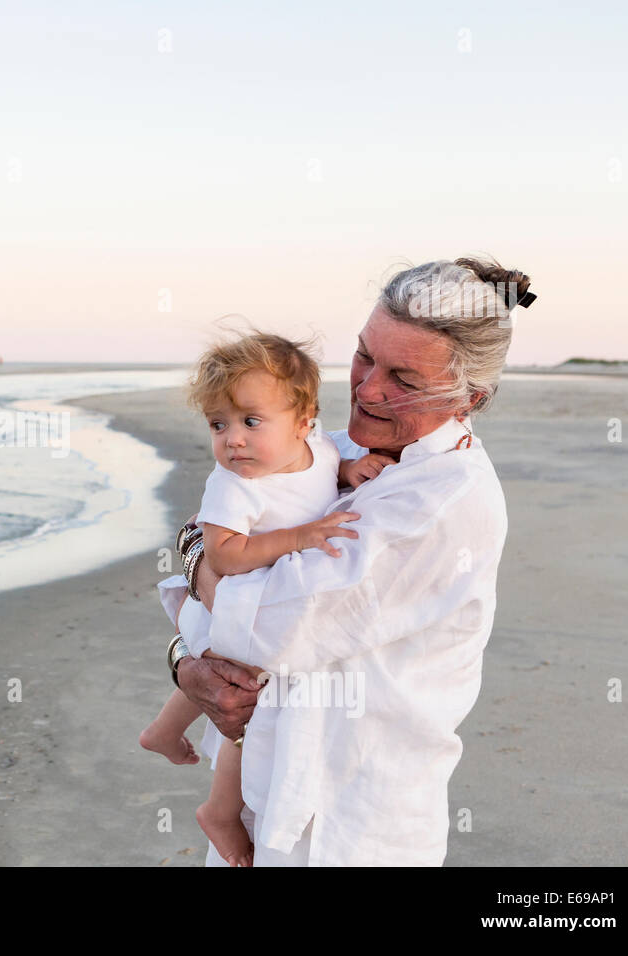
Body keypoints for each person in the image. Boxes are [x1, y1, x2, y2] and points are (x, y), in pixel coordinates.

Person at [162, 257, 532, 865]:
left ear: (472, 397)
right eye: (365, 356)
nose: (366, 389)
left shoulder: (436, 503)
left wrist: (205, 570)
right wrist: (187, 646)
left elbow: (260, 624)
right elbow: (230, 523)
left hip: (349, 822)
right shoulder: (347, 445)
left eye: (404, 379)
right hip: (268, 784)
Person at [139, 332, 392, 865]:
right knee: (241, 709)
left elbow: (322, 475)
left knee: (225, 687)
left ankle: (162, 731)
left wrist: (347, 473)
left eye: (251, 422)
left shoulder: (317, 450)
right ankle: (220, 811)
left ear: (304, 422)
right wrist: (298, 538)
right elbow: (225, 555)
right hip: (227, 603)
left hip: (242, 607)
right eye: (218, 424)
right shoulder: (234, 485)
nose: (233, 440)